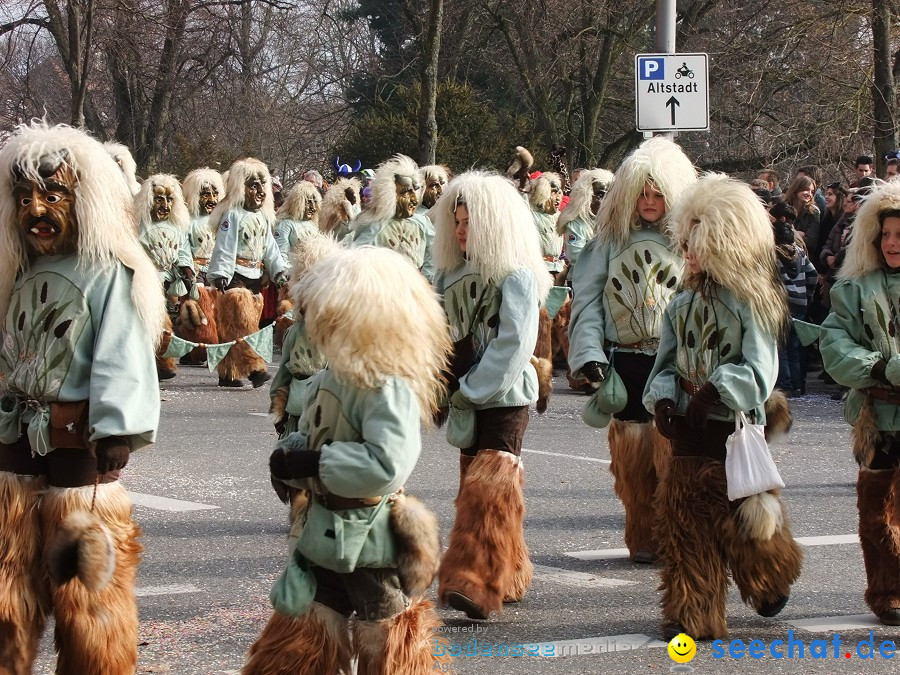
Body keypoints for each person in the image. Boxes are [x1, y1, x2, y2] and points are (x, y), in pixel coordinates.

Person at [0, 121, 164, 673]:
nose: (37, 211)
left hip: (78, 441)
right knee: (7, 579)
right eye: (25, 198)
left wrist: (118, 426)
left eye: (52, 196)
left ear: (83, 199)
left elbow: (123, 351)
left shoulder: (107, 273)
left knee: (84, 589)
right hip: (15, 438)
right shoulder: (16, 271)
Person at [244, 246, 453, 674]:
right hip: (323, 534)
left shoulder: (387, 387)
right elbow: (319, 432)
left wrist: (314, 466)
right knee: (299, 645)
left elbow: (387, 464)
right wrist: (290, 452)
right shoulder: (331, 375)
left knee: (390, 647)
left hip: (369, 543)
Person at [645, 174, 801, 640]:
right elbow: (665, 362)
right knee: (684, 529)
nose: (689, 251)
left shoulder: (750, 302)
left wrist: (717, 389)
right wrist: (665, 399)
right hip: (689, 436)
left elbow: (760, 369)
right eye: (686, 241)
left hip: (732, 433)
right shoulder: (680, 304)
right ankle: (692, 611)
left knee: (748, 527)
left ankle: (769, 578)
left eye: (698, 242)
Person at [568, 136, 697, 564]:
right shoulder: (607, 243)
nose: (649, 200)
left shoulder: (687, 243)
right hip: (624, 362)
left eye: (658, 192)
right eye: (642, 192)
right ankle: (642, 530)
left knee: (673, 455)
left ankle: (675, 531)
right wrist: (588, 354)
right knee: (633, 461)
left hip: (673, 361)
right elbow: (586, 302)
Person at [431, 171, 551, 620]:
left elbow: (515, 342)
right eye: (457, 221)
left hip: (504, 396)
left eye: (469, 222)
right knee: (476, 488)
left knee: (489, 490)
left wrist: (473, 386)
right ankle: (512, 570)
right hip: (465, 394)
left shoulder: (516, 274)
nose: (461, 230)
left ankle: (476, 581)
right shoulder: (448, 274)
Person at [820, 180, 900, 626]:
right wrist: (879, 368)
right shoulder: (854, 290)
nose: (891, 243)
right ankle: (887, 592)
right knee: (876, 510)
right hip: (877, 414)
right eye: (885, 235)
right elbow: (834, 344)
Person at [206, 158, 287, 388]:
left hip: (254, 279)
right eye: (253, 185)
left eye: (263, 185)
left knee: (234, 328)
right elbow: (224, 246)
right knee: (242, 326)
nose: (260, 191)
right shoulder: (232, 215)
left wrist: (279, 270)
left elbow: (270, 248)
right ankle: (254, 368)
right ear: (242, 189)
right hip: (234, 278)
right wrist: (221, 273)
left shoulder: (263, 217)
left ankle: (228, 373)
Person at [135, 174, 195, 380]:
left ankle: (160, 361)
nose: (165, 205)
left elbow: (183, 250)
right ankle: (162, 362)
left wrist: (186, 267)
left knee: (169, 321)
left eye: (169, 200)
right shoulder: (139, 226)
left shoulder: (178, 227)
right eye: (159, 199)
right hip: (146, 282)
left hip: (171, 282)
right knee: (158, 321)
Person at [348, 155, 427, 272]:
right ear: (389, 195)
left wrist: (427, 281)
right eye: (405, 192)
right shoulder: (375, 227)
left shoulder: (421, 223)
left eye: (414, 190)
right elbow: (356, 264)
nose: (414, 199)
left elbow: (433, 256)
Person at [771, 203, 817, 396]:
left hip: (782, 304)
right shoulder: (800, 253)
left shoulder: (773, 255)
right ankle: (798, 385)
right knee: (796, 346)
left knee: (781, 344)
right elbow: (813, 275)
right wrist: (808, 295)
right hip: (800, 304)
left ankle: (786, 385)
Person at [556, 168, 614, 273]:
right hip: (582, 281)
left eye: (608, 196)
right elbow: (577, 257)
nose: (604, 200)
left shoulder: (611, 224)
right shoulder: (576, 224)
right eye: (600, 195)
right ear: (587, 196)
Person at [273, 180, 322, 266]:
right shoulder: (285, 224)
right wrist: (287, 275)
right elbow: (280, 254)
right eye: (309, 202)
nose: (313, 208)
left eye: (315, 203)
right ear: (298, 202)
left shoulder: (313, 225)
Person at [783, 174, 821, 260]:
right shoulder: (783, 208)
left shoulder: (814, 212)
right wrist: (797, 234)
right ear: (797, 189)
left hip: (802, 258)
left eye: (812, 192)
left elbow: (811, 242)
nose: (809, 194)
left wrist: (790, 233)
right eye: (806, 190)